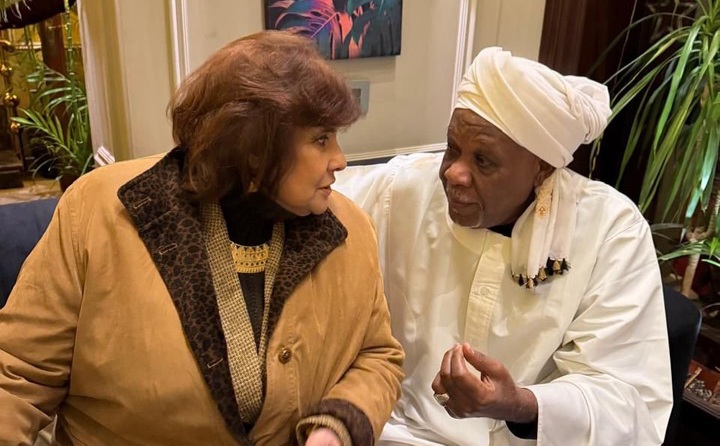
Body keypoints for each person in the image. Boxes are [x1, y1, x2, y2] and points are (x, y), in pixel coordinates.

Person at [0, 31, 404, 446]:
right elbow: (16, 375)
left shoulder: (351, 231)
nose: (340, 160)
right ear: (253, 149)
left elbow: (378, 357)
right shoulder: (96, 212)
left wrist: (336, 427)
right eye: (321, 139)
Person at [335, 47, 672, 446]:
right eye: (452, 148)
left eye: (483, 161)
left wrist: (520, 405)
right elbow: (313, 195)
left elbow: (626, 401)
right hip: (398, 434)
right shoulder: (404, 190)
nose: (454, 173)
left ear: (542, 167)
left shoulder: (610, 232)